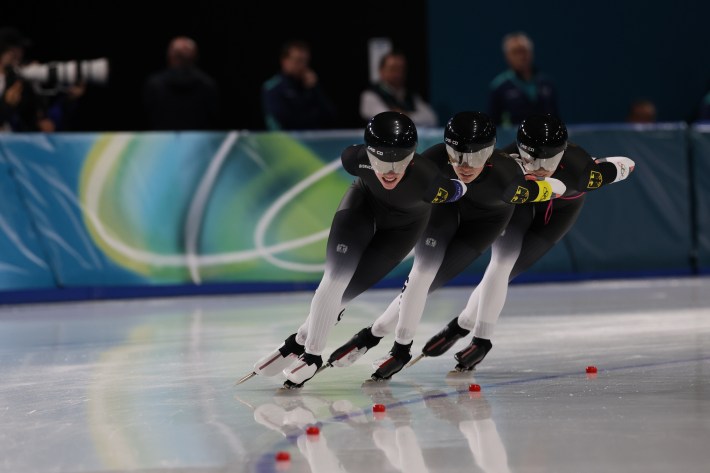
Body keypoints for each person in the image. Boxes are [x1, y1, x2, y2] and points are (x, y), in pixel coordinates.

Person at [325, 111, 566, 381]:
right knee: (422, 275)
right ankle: (393, 345)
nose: (465, 166)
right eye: (456, 155)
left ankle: (473, 336)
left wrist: (546, 186)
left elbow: (558, 185)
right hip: (447, 211)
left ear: (489, 153)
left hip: (487, 222)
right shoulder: (431, 162)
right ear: (447, 149)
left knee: (497, 267)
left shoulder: (508, 174)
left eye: (475, 157)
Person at [237, 111, 468, 389]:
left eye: (401, 160)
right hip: (362, 208)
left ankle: (297, 341)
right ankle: (310, 355)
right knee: (334, 280)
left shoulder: (430, 182)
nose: (391, 170)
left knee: (344, 294)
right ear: (369, 154)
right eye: (381, 159)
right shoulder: (354, 159)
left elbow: (458, 190)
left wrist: (461, 185)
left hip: (402, 231)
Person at [416, 114, 636, 373]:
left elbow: (629, 164)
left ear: (562, 155)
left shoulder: (583, 172)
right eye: (531, 159)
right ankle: (481, 340)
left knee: (505, 273)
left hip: (558, 214)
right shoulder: (503, 162)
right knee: (501, 264)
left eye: (549, 160)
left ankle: (461, 324)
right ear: (519, 152)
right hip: (519, 208)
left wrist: (603, 166)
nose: (540, 169)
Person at [142, 36, 220, 130]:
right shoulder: (207, 84)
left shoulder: (154, 84)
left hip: (162, 139)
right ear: (196, 57)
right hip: (197, 140)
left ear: (170, 56)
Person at [261, 39, 337, 131]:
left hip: (315, 139)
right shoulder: (273, 87)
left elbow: (330, 116)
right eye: (298, 60)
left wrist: (315, 89)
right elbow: (279, 122)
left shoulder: (311, 85)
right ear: (284, 61)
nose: (302, 65)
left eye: (305, 61)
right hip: (287, 141)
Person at [487, 32, 559, 127]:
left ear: (531, 53)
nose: (521, 56)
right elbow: (493, 124)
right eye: (515, 52)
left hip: (545, 139)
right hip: (514, 140)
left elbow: (556, 119)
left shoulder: (547, 83)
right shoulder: (499, 86)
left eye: (524, 51)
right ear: (507, 56)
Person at [359, 50, 438, 128]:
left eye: (401, 69)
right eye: (393, 69)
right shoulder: (370, 95)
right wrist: (406, 116)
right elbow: (387, 119)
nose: (398, 74)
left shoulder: (411, 96)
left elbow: (431, 119)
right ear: (381, 71)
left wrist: (405, 114)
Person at [0, 27, 45, 132]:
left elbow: (31, 118)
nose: (21, 54)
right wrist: (6, 105)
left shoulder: (19, 81)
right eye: (18, 50)